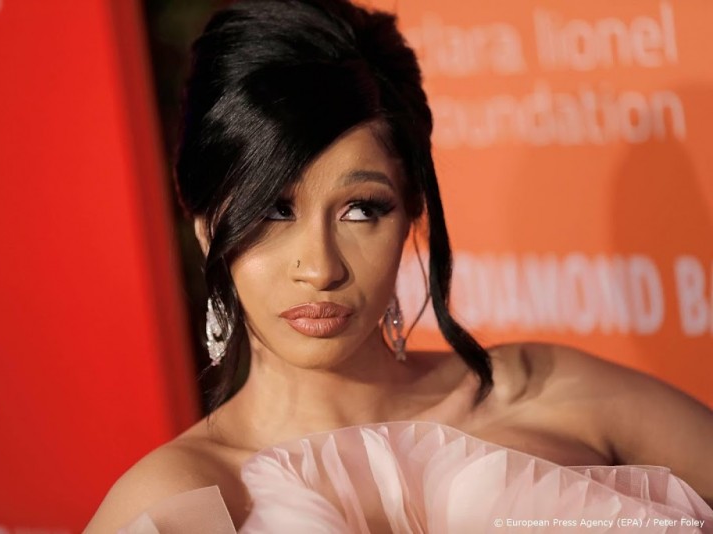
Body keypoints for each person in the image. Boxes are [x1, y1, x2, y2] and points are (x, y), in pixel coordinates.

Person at [86, 0, 713, 531]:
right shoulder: (183, 500)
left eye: (361, 209)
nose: (320, 267)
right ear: (206, 230)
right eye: (274, 211)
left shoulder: (552, 393)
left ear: (412, 209)